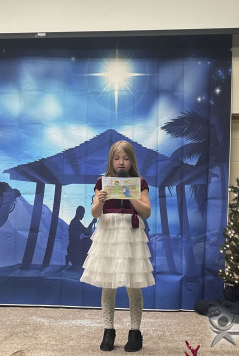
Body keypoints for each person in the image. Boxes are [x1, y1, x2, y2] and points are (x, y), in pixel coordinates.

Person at [80, 140, 155, 352]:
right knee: (108, 284)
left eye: (126, 158)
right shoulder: (101, 183)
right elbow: (95, 212)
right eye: (117, 158)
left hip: (130, 233)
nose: (121, 162)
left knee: (133, 284)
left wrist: (131, 196)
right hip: (109, 233)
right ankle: (108, 331)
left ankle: (135, 332)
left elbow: (146, 212)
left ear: (132, 161)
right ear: (111, 161)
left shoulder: (139, 183)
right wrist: (101, 201)